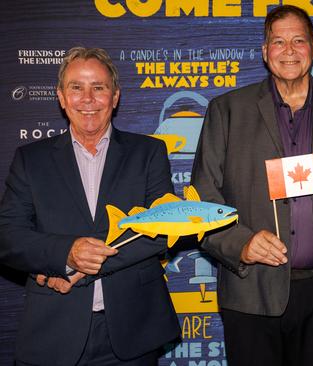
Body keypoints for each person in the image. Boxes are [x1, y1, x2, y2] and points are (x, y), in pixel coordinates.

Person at [191, 5, 313, 366]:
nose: (289, 50)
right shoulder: (226, 111)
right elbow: (202, 202)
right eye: (278, 41)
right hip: (251, 293)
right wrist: (241, 244)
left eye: (298, 41)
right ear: (264, 51)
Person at [0, 47, 180, 365]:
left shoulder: (148, 153)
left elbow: (163, 229)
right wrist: (65, 253)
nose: (87, 99)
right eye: (76, 87)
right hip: (53, 331)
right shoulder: (30, 160)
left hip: (132, 333)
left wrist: (79, 270)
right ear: (60, 96)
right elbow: (9, 236)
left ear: (115, 96)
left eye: (98, 87)